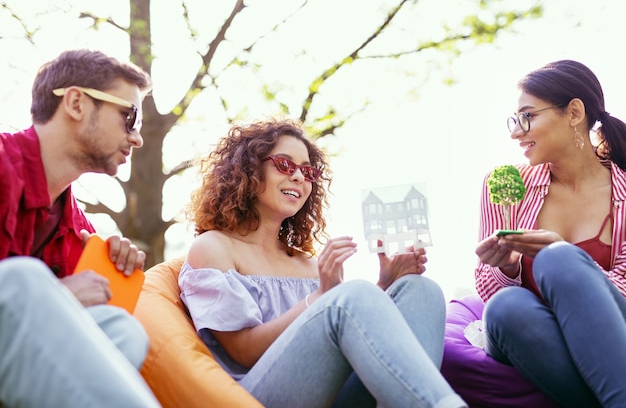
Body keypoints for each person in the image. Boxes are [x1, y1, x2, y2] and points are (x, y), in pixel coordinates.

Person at [179, 118, 467, 408]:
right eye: (284, 164)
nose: (298, 177)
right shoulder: (214, 248)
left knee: (420, 289)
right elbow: (242, 352)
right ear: (249, 169)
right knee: (350, 294)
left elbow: (344, 332)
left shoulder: (308, 264)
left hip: (330, 395)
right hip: (255, 396)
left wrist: (385, 285)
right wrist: (321, 297)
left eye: (307, 171)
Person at [0, 49, 161, 407]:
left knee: (123, 331)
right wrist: (61, 295)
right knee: (22, 279)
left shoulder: (79, 230)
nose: (137, 138)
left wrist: (113, 279)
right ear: (75, 103)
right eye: (128, 116)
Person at [475, 59, 626, 407]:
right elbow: (486, 287)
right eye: (514, 120)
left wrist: (568, 264)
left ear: (574, 112)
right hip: (528, 330)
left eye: (528, 116)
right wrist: (508, 267)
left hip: (615, 332)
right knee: (505, 305)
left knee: (558, 259)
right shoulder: (505, 184)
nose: (516, 132)